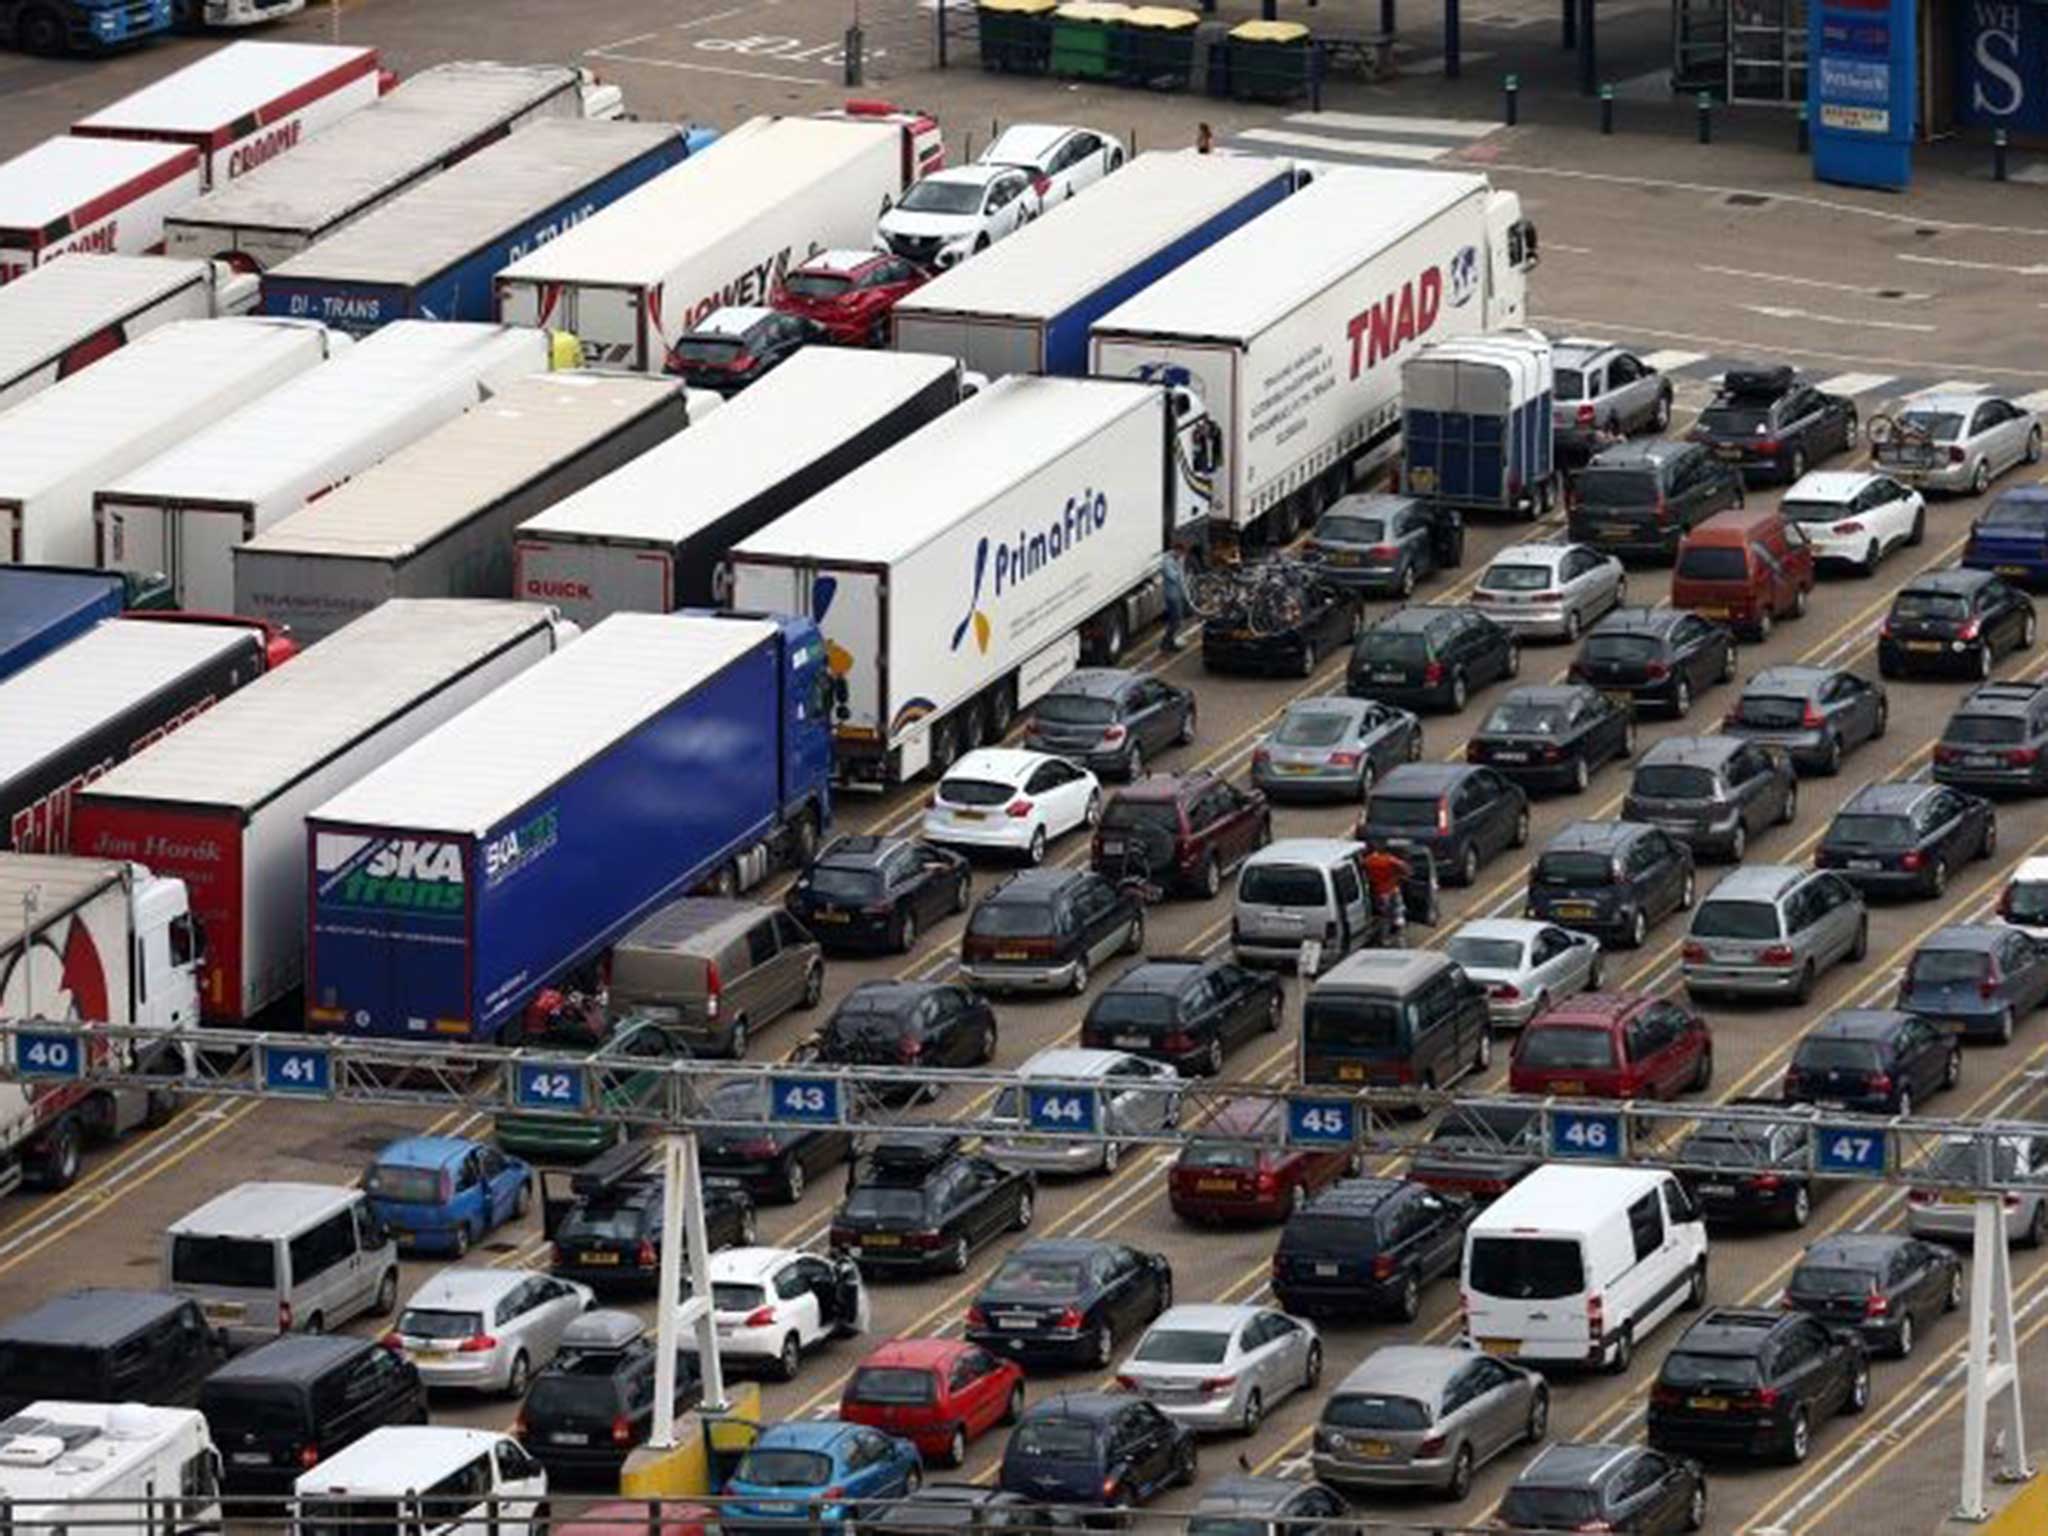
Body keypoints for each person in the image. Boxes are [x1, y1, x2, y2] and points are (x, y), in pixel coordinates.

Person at [1361, 845, 1412, 945]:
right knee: (1398, 912)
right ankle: (1400, 936)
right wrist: (1401, 874)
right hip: (1392, 889)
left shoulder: (1367, 862)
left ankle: (1384, 939)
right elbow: (1405, 868)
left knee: (1384, 917)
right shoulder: (1388, 860)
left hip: (1379, 892)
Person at [1161, 542, 1190, 651]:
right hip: (1172, 596)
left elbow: (1182, 576)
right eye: (1181, 553)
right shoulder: (1167, 561)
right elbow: (1173, 577)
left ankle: (1169, 641)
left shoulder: (1178, 559)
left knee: (1178, 619)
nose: (1183, 556)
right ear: (1177, 550)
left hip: (1179, 594)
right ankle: (1166, 642)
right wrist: (1179, 566)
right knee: (1175, 620)